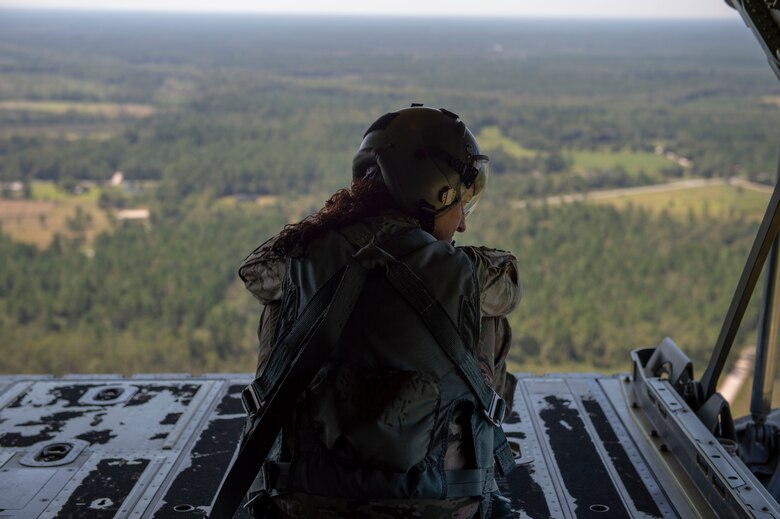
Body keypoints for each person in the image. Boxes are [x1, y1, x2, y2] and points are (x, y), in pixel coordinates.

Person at [238, 105, 522, 518]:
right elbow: (510, 286)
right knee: (485, 312)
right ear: (435, 189)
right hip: (443, 505)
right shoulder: (466, 274)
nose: (461, 223)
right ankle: (466, 461)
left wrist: (331, 243)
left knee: (287, 304)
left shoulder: (299, 258)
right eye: (460, 201)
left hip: (299, 501)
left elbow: (255, 274)